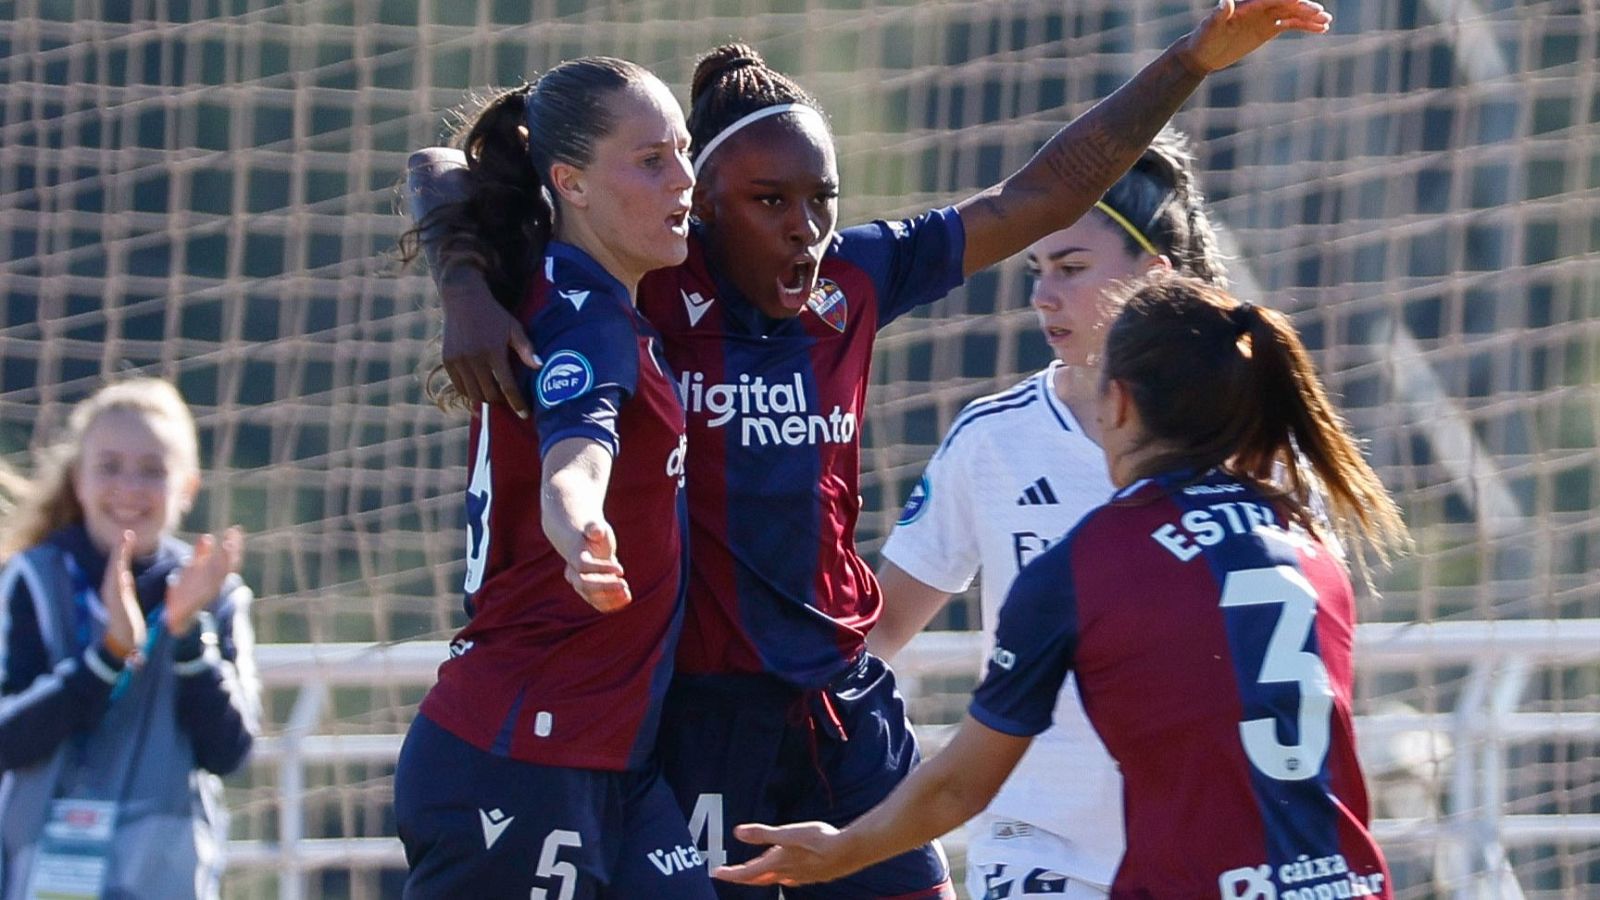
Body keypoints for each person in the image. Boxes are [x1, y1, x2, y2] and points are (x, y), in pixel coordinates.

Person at [408, 5, 1333, 897]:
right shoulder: (641, 277)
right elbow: (447, 168)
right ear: (708, 207)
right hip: (699, 712)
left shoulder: (854, 278)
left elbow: (1040, 193)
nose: (805, 229)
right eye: (769, 201)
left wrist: (1191, 62)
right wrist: (464, 287)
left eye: (823, 201)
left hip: (843, 704)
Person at [716, 273, 1409, 900]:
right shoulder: (1304, 541)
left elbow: (961, 784)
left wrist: (842, 851)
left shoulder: (1085, 564)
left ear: (1118, 401)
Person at [871, 128, 1227, 899]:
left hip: (1200, 856)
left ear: (1153, 281)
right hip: (1040, 856)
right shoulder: (993, 439)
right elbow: (879, 631)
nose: (1042, 295)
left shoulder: (1243, 446)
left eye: (1070, 268)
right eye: (1036, 268)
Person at [391, 57, 716, 900]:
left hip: (611, 760)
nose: (685, 178)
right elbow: (577, 454)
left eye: (683, 151)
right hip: (519, 756)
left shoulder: (566, 288)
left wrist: (459, 283)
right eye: (651, 160)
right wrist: (578, 526)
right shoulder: (588, 320)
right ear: (568, 182)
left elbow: (437, 167)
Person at [0, 378, 257, 900]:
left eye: (153, 471)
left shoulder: (215, 591)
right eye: (110, 466)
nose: (130, 488)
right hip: (43, 869)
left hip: (167, 875)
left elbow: (231, 752)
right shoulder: (32, 578)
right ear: (78, 481)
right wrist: (108, 655)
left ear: (188, 486)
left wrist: (186, 635)